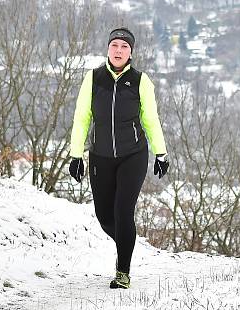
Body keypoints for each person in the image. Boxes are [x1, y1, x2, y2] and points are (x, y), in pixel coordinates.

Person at [67, 27, 169, 289]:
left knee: (124, 212)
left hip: (132, 155)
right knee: (104, 216)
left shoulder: (140, 81)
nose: (119, 51)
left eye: (124, 47)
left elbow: (150, 119)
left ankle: (122, 271)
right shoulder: (93, 79)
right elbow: (81, 118)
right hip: (100, 156)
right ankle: (128, 242)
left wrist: (161, 152)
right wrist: (76, 154)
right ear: (108, 49)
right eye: (115, 46)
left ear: (131, 52)